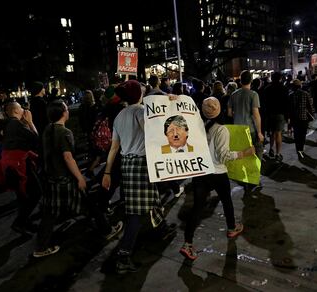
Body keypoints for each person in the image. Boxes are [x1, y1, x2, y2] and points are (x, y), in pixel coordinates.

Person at [102, 80, 175, 274]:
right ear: (138, 94)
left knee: (151, 198)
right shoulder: (141, 112)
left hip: (127, 164)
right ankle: (123, 255)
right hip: (142, 164)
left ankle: (162, 228)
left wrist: (107, 171)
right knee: (136, 211)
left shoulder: (119, 116)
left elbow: (114, 148)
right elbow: (152, 135)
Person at [34, 99, 122, 258]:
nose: (68, 111)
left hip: (51, 178)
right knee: (89, 203)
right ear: (63, 113)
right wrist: (79, 176)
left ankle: (41, 247)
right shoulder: (65, 133)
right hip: (66, 179)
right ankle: (107, 230)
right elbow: (68, 158)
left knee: (50, 214)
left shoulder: (48, 129)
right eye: (66, 109)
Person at [179, 97, 255, 260]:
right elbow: (224, 156)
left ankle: (187, 243)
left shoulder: (195, 127)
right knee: (226, 201)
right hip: (218, 173)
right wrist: (244, 153)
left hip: (200, 172)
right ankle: (232, 228)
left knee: (197, 208)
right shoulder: (221, 130)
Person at [0, 102, 41, 234]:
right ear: (15, 111)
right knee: (36, 192)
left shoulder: (9, 124)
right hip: (18, 165)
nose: (24, 110)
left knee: (23, 196)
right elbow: (36, 140)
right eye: (21, 107)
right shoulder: (16, 124)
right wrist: (31, 122)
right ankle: (20, 222)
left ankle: (25, 222)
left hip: (11, 165)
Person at [287, 79, 315, 159]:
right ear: (300, 86)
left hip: (294, 117)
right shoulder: (306, 94)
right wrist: (312, 114)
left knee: (296, 134)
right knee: (303, 134)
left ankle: (298, 148)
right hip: (304, 118)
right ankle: (301, 149)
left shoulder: (291, 95)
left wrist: (289, 119)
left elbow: (289, 108)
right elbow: (310, 106)